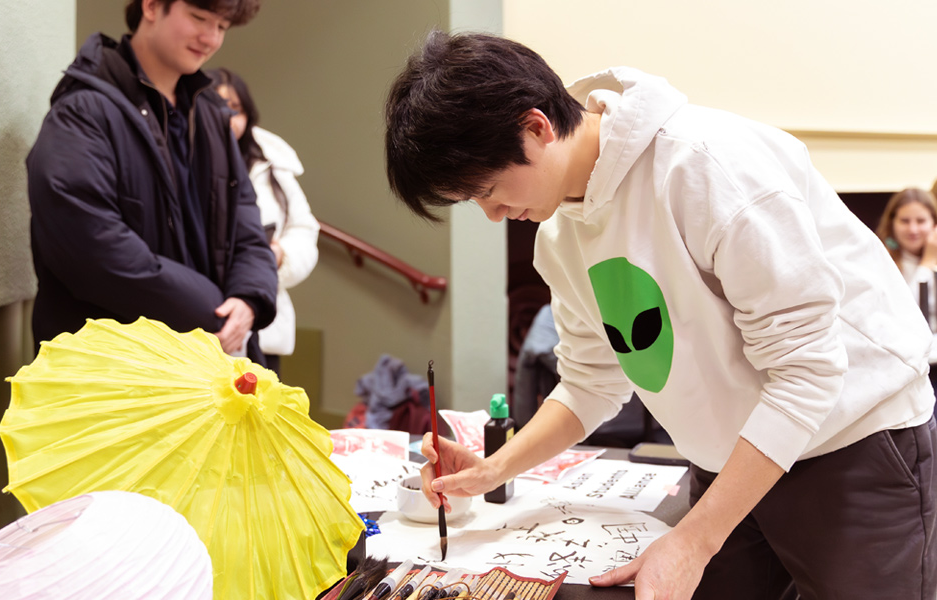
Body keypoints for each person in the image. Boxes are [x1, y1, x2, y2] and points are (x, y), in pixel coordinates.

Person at [385, 31, 936, 600]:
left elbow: (809, 372)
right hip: (732, 466)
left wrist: (694, 540)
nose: (494, 215)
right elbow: (590, 384)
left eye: (490, 190)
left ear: (536, 127)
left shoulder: (704, 166)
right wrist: (492, 469)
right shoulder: (558, 234)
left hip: (854, 449)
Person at [25, 0, 278, 365]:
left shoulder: (209, 116)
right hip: (116, 373)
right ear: (151, 6)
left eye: (221, 27)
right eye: (199, 18)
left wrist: (249, 299)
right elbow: (92, 247)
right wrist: (210, 309)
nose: (210, 38)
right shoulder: (83, 112)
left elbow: (246, 226)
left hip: (205, 365)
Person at [209, 67, 320, 375]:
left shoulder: (271, 165)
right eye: (219, 108)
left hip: (264, 328)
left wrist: (278, 255)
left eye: (237, 110)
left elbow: (304, 228)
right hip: (206, 326)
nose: (229, 120)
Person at [876, 187, 937, 392]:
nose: (913, 229)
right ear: (892, 223)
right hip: (906, 372)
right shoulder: (882, 261)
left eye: (921, 221)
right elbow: (908, 315)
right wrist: (926, 265)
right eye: (905, 221)